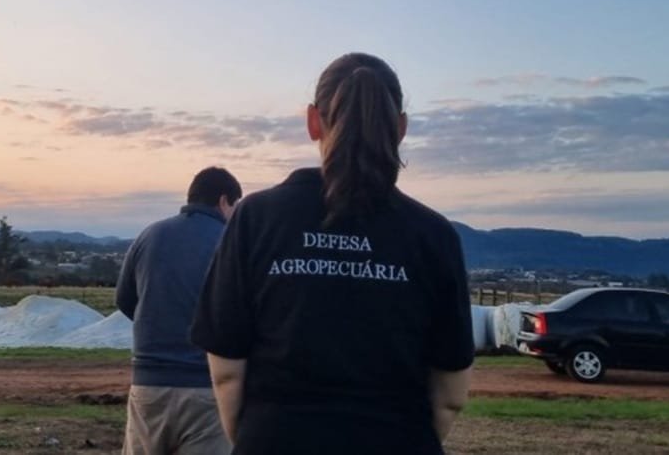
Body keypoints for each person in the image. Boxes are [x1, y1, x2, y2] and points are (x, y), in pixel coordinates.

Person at [190, 53, 474, 455]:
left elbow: (227, 374)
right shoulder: (434, 235)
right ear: (401, 129)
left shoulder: (255, 218)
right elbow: (450, 394)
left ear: (312, 121)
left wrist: (255, 439)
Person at [116, 167, 244, 455]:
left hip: (148, 386)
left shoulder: (150, 235)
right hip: (205, 389)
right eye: (235, 206)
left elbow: (125, 300)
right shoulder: (230, 241)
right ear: (224, 201)